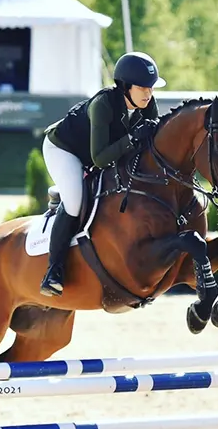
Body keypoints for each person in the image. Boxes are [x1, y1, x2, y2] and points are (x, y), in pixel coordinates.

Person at [38, 51, 167, 297]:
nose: (148, 94)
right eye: (142, 88)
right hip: (65, 150)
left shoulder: (147, 104)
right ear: (125, 86)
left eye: (151, 88)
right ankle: (53, 272)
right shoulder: (104, 104)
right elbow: (99, 158)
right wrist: (131, 139)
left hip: (97, 153)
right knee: (75, 203)